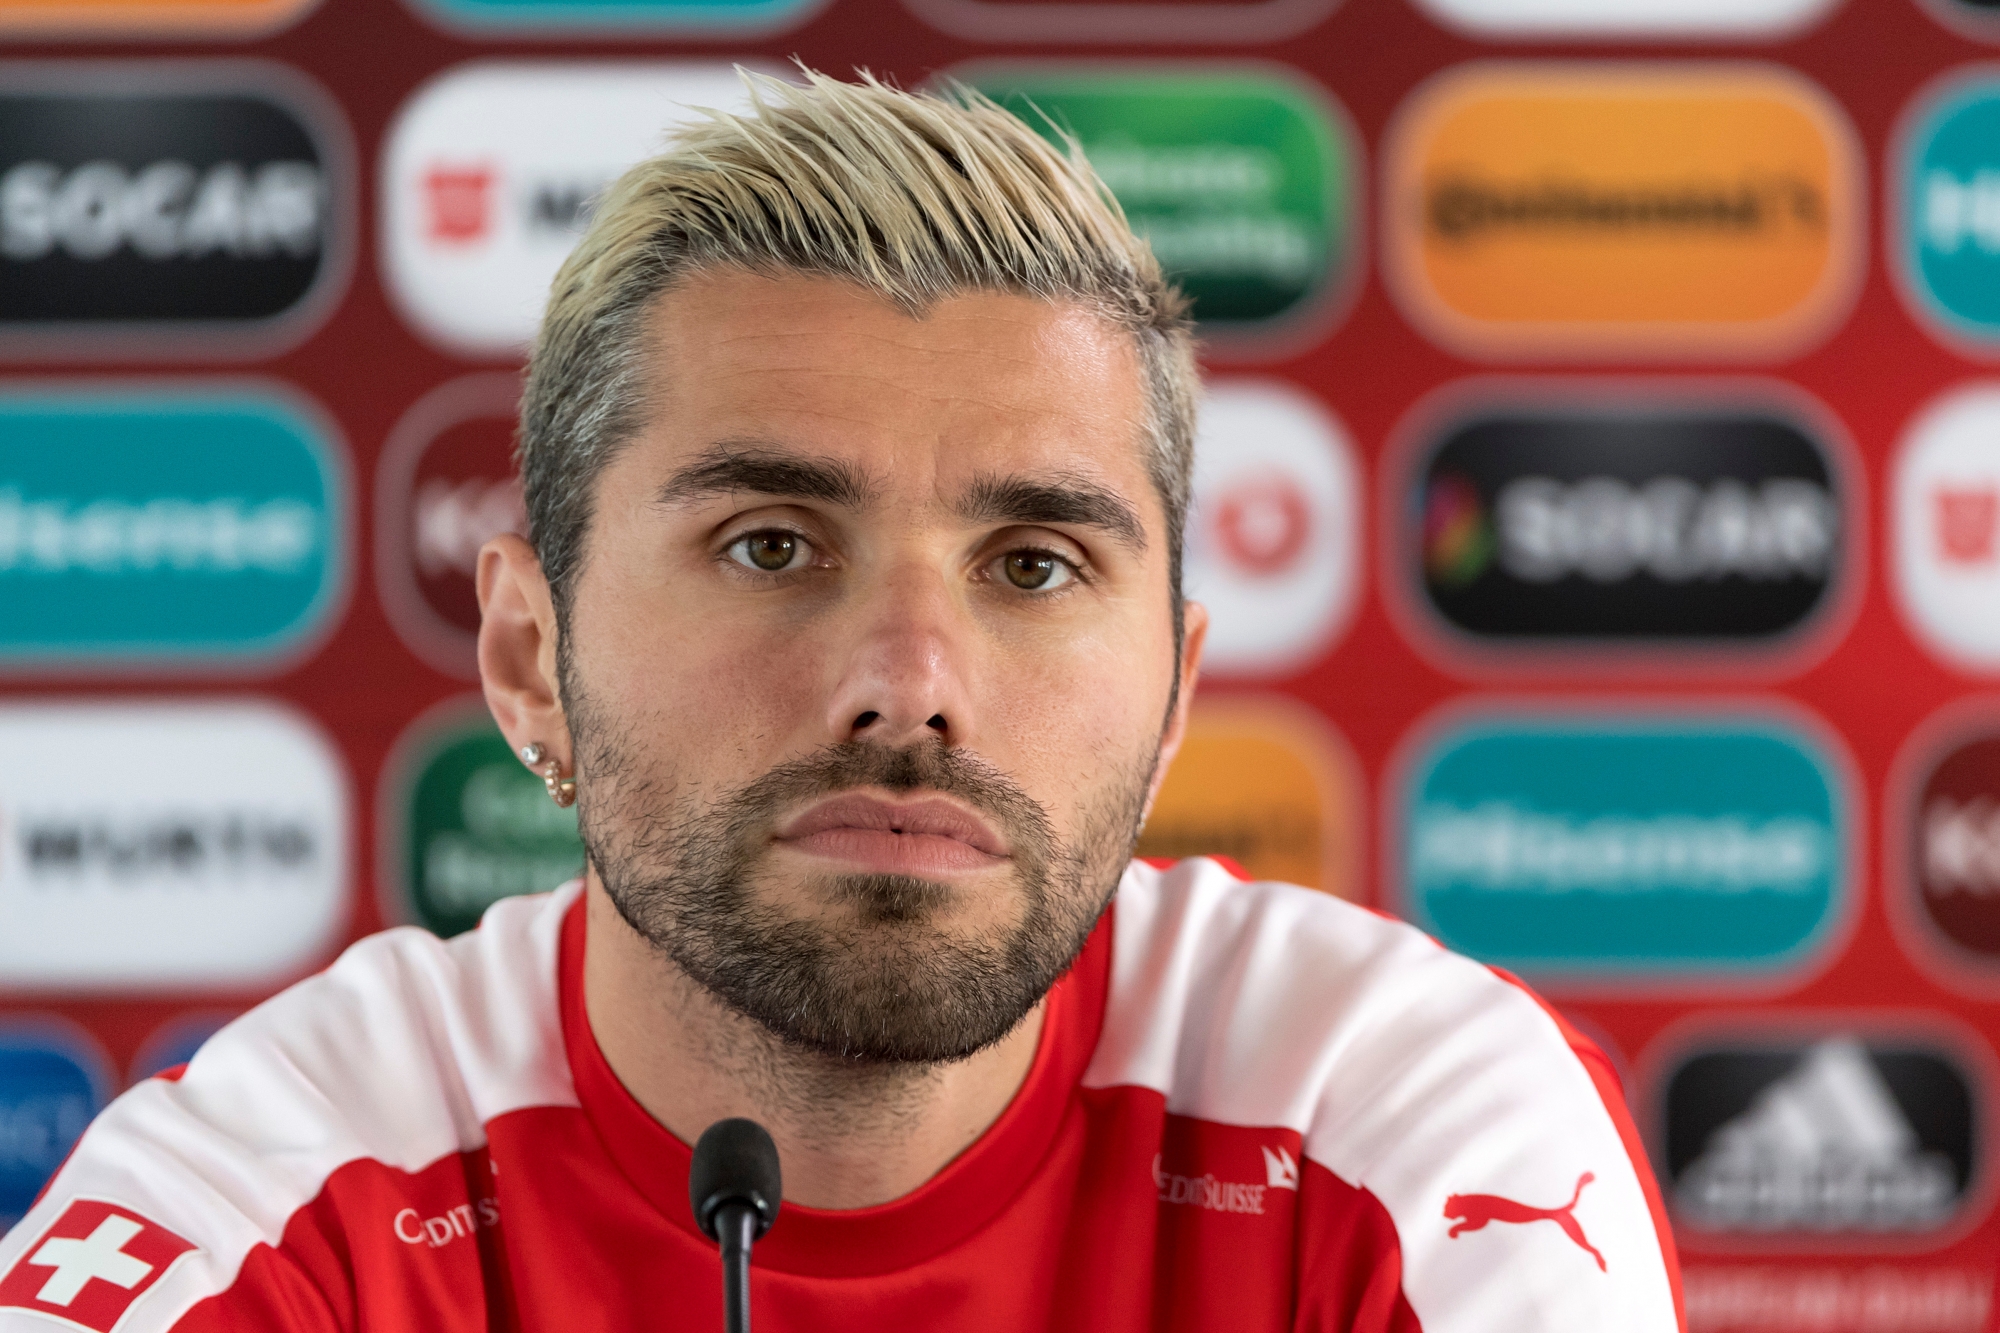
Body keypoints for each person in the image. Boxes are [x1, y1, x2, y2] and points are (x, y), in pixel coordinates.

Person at [0, 71, 1681, 1332]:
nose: (909, 687)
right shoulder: (272, 1201)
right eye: (772, 543)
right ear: (530, 656)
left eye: (1030, 565)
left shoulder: (1401, 1118)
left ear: (1174, 693)